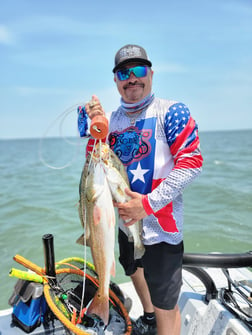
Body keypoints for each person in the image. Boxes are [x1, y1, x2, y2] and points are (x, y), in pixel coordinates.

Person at [78, 44, 203, 335]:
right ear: (116, 80)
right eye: (124, 72)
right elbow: (93, 163)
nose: (132, 78)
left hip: (161, 226)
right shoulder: (109, 121)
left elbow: (192, 163)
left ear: (151, 73)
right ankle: (146, 315)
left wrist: (146, 205)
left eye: (139, 70)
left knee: (165, 304)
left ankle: (157, 316)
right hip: (120, 225)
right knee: (132, 268)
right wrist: (91, 120)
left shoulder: (172, 112)